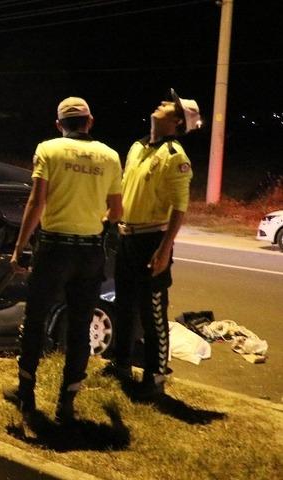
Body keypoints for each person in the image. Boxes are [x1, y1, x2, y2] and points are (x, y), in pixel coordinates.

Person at [8, 97, 122, 423]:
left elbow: (36, 202)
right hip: (89, 253)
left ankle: (26, 393)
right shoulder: (110, 156)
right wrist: (96, 224)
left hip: (54, 249)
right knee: (79, 326)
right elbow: (116, 211)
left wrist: (20, 247)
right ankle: (67, 402)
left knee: (35, 320)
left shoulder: (48, 150)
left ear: (59, 125)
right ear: (90, 121)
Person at [105, 89, 201, 400]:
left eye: (170, 105)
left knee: (152, 312)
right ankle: (121, 365)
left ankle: (155, 376)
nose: (162, 104)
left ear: (177, 121)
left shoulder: (175, 156)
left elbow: (179, 208)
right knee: (124, 306)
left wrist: (164, 248)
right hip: (127, 237)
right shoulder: (137, 147)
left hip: (152, 241)